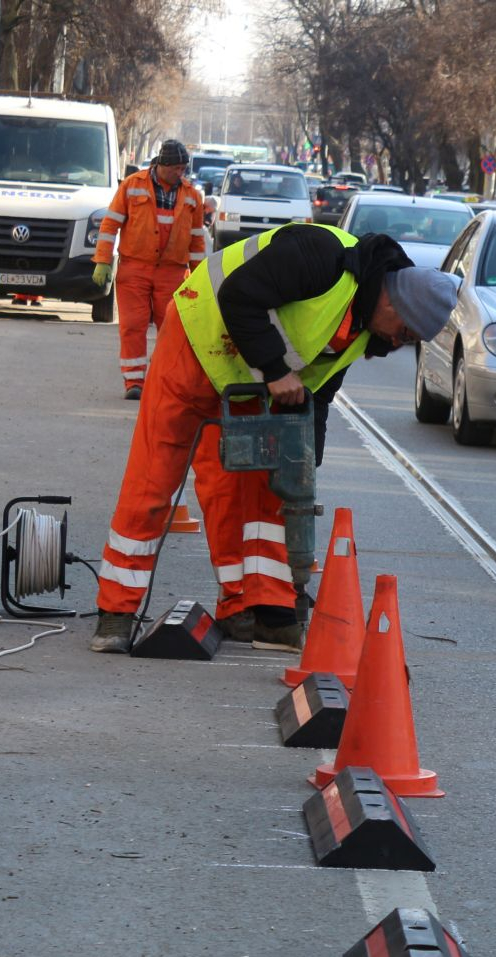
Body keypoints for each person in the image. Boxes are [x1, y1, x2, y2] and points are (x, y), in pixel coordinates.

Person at [88, 222, 460, 653]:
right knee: (155, 477)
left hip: (250, 377)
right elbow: (238, 296)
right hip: (196, 343)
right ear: (394, 303)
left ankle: (260, 611)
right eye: (404, 333)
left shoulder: (361, 332)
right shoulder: (321, 256)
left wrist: (302, 461)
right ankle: (116, 611)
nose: (398, 344)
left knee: (252, 490)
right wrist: (277, 371)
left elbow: (318, 394)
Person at [93, 140, 208, 399]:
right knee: (133, 325)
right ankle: (134, 382)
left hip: (173, 272)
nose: (181, 173)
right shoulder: (133, 185)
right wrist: (102, 260)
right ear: (162, 165)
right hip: (135, 268)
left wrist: (199, 275)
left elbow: (197, 238)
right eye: (176, 168)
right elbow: (110, 225)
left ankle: (160, 379)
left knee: (171, 329)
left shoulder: (192, 195)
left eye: (183, 169)